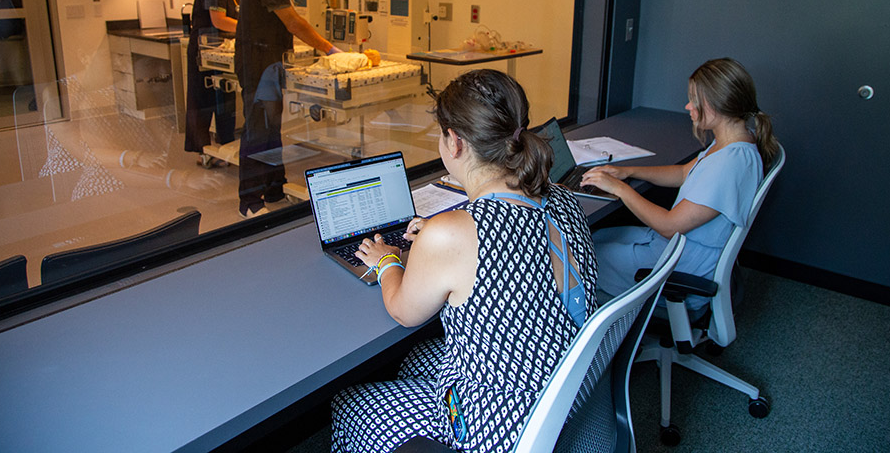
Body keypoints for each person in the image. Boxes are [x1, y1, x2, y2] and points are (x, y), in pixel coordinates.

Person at [330, 69, 598, 453]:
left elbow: (404, 312)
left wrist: (389, 261)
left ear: (454, 142)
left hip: (504, 427)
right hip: (567, 396)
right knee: (418, 359)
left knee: (352, 406)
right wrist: (441, 237)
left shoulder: (452, 234)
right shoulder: (565, 199)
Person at [580, 57, 778, 307]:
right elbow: (685, 173)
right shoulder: (734, 142)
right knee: (590, 239)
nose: (688, 106)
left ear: (715, 105)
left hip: (681, 262)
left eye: (695, 101)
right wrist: (628, 171)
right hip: (678, 247)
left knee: (579, 254)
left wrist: (618, 189)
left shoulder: (729, 165)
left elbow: (669, 226)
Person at [234, 0, 340, 218]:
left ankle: (274, 187)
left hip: (269, 63)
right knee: (257, 131)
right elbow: (292, 22)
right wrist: (329, 48)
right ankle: (250, 201)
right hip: (257, 64)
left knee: (271, 128)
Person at [183, 0, 257, 167]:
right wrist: (248, 29)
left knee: (225, 97)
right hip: (204, 48)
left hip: (222, 48)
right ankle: (202, 150)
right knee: (202, 100)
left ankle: (225, 143)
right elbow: (218, 20)